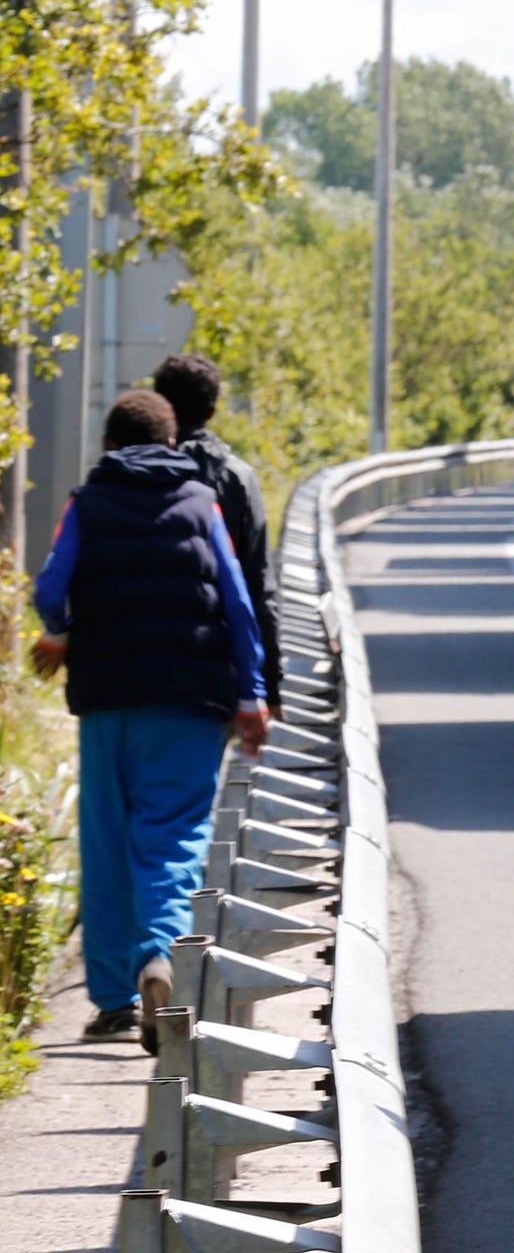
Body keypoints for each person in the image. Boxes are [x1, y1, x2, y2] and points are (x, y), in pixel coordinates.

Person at [33, 390, 271, 1051]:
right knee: (172, 835)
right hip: (191, 700)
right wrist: (251, 698)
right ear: (174, 444)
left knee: (107, 841)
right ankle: (160, 955)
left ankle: (113, 999)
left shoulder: (86, 503)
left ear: (108, 445)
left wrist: (59, 632)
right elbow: (237, 601)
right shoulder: (202, 503)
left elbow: (51, 589)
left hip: (107, 697)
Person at [152, 353, 284, 711]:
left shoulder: (128, 474)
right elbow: (258, 588)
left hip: (134, 666)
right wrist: (267, 686)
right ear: (212, 411)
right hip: (213, 666)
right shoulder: (238, 479)